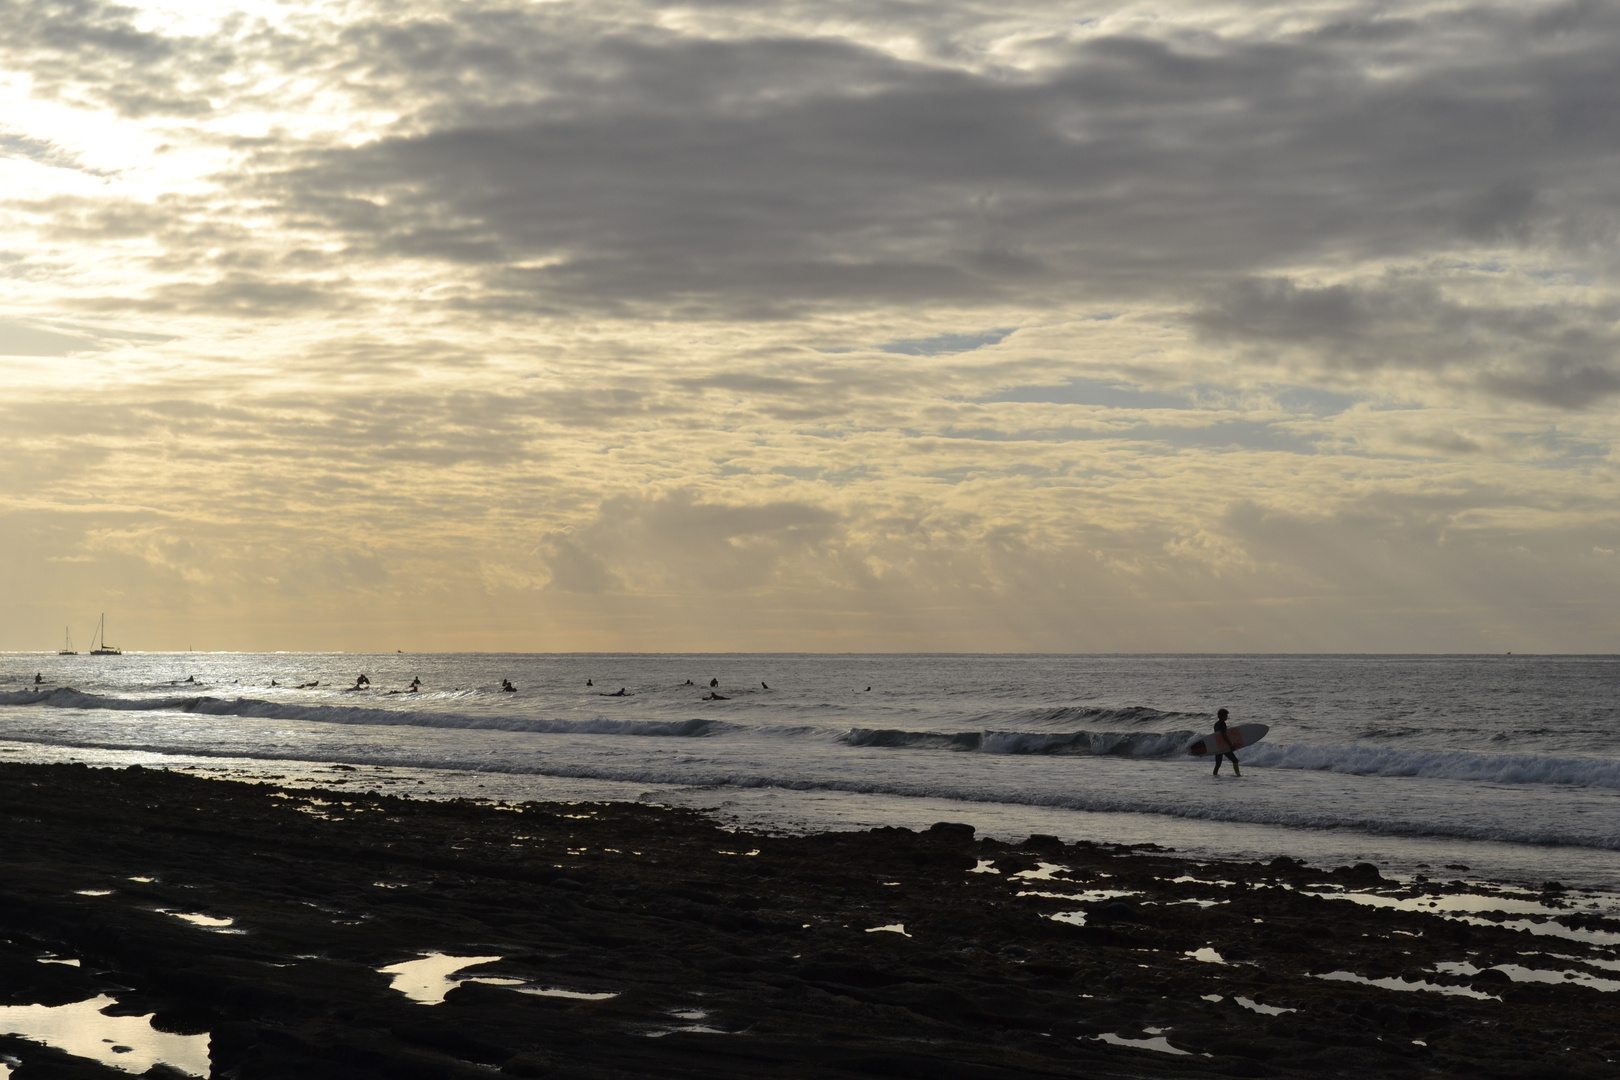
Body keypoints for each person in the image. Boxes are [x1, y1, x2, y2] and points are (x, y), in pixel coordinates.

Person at [1211, 708, 1241, 776]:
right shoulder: (1222, 724)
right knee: (1235, 760)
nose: (1227, 716)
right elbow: (1224, 736)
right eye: (1226, 715)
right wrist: (1230, 745)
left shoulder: (1216, 724)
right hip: (1224, 746)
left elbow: (1217, 736)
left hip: (1218, 746)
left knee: (1218, 764)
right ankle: (1238, 774)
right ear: (1222, 715)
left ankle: (1214, 776)